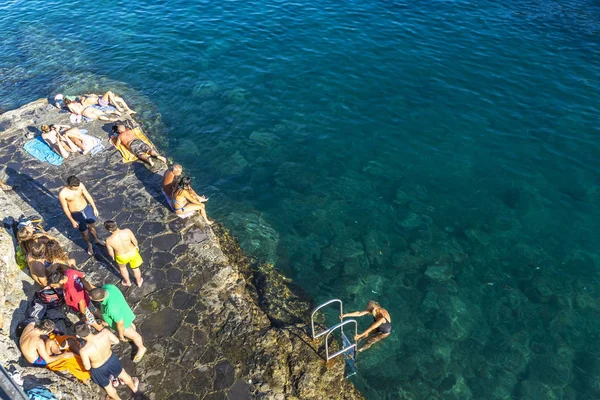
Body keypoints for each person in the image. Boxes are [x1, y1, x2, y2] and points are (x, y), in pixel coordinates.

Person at [75, 322, 140, 400]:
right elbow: (116, 341)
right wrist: (107, 344)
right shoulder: (104, 333)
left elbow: (88, 367)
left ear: (78, 336)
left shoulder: (83, 350)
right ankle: (134, 388)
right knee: (123, 374)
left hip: (98, 369)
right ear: (89, 327)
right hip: (111, 359)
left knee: (109, 387)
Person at [90, 286, 147, 363]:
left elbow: (120, 323)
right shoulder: (109, 287)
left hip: (123, 323)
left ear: (99, 300)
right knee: (131, 327)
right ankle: (132, 329)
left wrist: (121, 335)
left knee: (135, 336)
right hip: (125, 312)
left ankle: (141, 347)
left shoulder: (111, 308)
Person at [58, 175, 104, 256]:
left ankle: (96, 239)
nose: (77, 188)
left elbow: (88, 196)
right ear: (69, 186)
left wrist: (94, 207)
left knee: (92, 226)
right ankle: (89, 244)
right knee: (84, 232)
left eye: (78, 186)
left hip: (86, 208)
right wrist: (72, 220)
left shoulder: (80, 185)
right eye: (75, 187)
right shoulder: (63, 194)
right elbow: (65, 208)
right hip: (76, 213)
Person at [104, 220, 143, 287]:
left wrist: (113, 256)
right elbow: (134, 240)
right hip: (132, 252)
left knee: (123, 269)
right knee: (136, 268)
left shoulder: (109, 240)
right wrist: (136, 246)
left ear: (109, 230)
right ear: (116, 224)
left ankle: (128, 282)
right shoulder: (127, 231)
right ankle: (139, 282)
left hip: (121, 256)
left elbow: (110, 252)